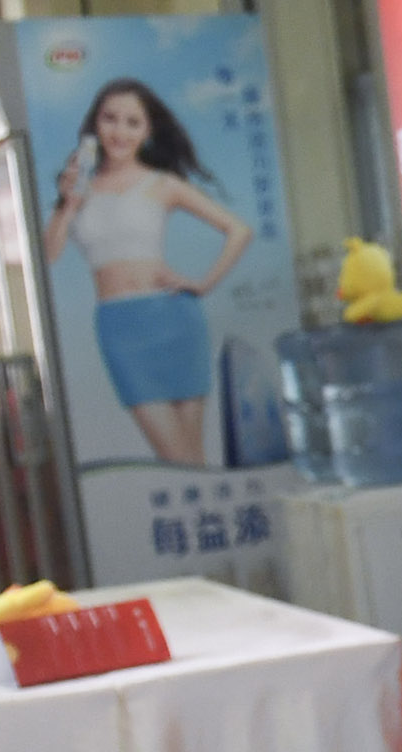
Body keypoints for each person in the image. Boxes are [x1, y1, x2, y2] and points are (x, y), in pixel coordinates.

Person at [42, 78, 255, 466]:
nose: (119, 131)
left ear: (147, 130)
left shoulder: (162, 184)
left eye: (132, 122)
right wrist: (69, 204)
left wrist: (202, 284)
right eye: (110, 119)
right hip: (120, 326)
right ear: (95, 124)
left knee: (192, 463)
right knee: (176, 458)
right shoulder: (77, 188)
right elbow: (48, 255)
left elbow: (239, 230)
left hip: (175, 319)